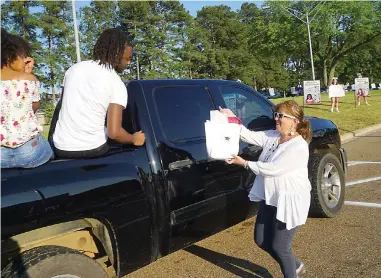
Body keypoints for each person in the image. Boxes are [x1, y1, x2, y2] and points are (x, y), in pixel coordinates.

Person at [220, 100, 312, 278]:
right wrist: (231, 117)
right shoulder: (272, 136)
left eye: (281, 116)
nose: (276, 119)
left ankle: (291, 272)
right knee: (261, 240)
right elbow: (247, 135)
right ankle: (296, 265)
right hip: (271, 197)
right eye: (276, 114)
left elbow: (273, 169)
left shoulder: (298, 146)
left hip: (289, 200)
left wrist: (245, 163)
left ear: (295, 121)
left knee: (280, 247)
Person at [52, 28, 145, 158]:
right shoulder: (115, 82)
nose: (128, 63)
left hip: (60, 147)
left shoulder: (73, 69)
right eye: (127, 58)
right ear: (117, 54)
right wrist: (133, 138)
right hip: (93, 148)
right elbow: (114, 133)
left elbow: (62, 107)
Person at [1, 28, 54, 168]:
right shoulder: (29, 79)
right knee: (51, 150)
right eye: (22, 55)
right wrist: (27, 72)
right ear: (9, 57)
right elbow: (33, 109)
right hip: (30, 152)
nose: (25, 59)